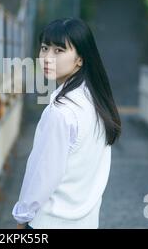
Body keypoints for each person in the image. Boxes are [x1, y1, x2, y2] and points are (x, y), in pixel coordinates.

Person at [12, 18, 121, 229]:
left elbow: (43, 174)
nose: (47, 58)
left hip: (49, 222)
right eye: (44, 48)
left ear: (80, 59)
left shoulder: (61, 112)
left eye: (59, 51)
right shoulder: (95, 102)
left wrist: (22, 216)